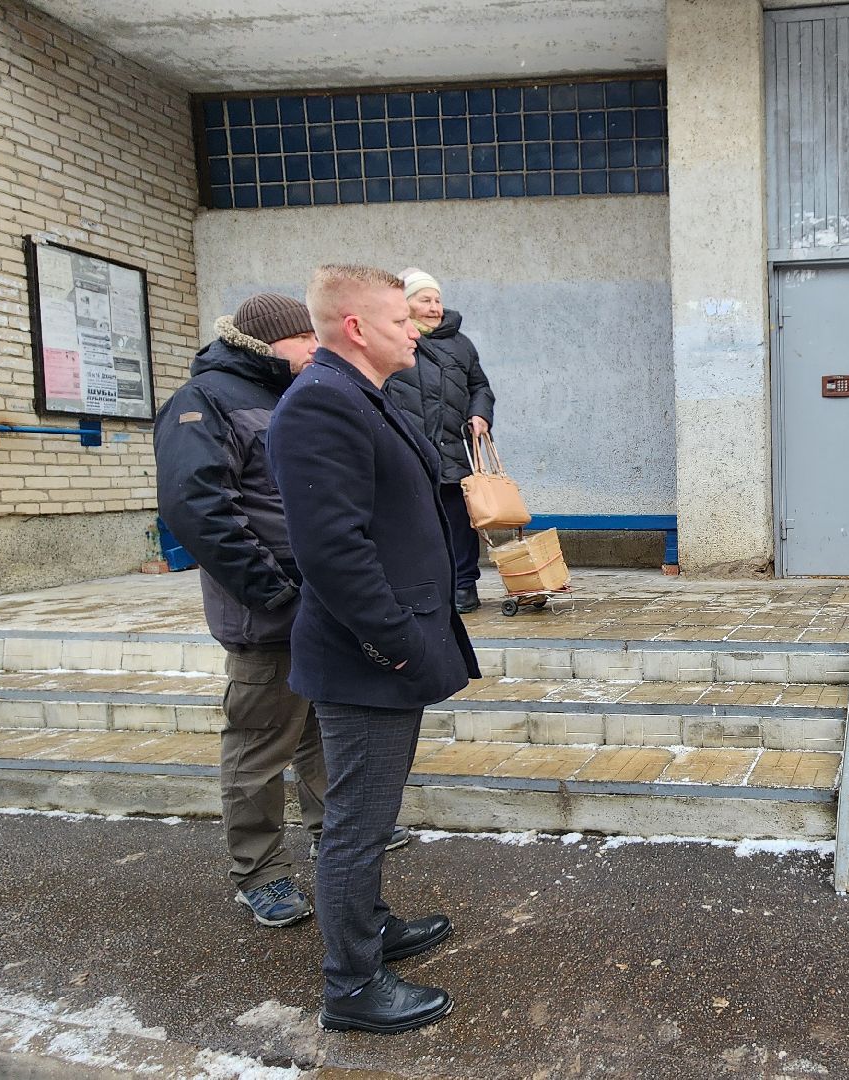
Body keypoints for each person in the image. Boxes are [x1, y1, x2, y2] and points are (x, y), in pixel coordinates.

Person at [268, 265, 481, 1035]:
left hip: (389, 646)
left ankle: (372, 926)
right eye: (401, 320)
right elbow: (333, 552)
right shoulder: (321, 405)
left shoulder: (362, 396)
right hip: (367, 656)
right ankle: (351, 985)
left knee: (371, 813)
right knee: (357, 824)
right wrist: (394, 645)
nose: (415, 330)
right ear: (355, 326)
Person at [156, 294, 332, 927]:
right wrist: (271, 589)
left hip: (318, 603)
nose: (316, 347)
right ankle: (259, 870)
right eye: (304, 338)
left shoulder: (286, 394)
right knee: (260, 744)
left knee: (318, 729)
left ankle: (330, 832)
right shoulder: (204, 401)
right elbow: (198, 508)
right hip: (268, 610)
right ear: (267, 342)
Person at [384, 268, 495, 614]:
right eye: (424, 299)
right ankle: (421, 586)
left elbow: (480, 387)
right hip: (409, 449)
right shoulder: (393, 339)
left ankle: (464, 586)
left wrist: (481, 414)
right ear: (406, 303)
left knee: (459, 523)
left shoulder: (460, 344)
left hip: (453, 448)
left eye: (437, 299)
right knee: (414, 522)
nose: (434, 306)